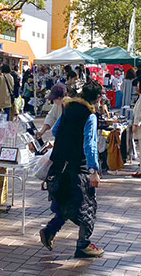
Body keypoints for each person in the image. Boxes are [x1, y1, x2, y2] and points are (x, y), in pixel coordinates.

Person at [39, 81, 104, 258]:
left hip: (60, 166)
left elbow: (56, 130)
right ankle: (83, 245)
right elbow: (89, 145)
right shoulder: (89, 115)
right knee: (87, 208)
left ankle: (50, 231)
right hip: (78, 169)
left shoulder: (68, 109)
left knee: (65, 203)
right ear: (97, 98)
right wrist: (94, 171)